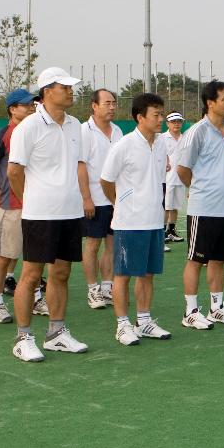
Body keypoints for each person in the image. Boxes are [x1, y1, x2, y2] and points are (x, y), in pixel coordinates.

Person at [7, 67, 90, 361]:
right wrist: (31, 199)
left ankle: (56, 333)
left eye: (71, 87)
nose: (70, 91)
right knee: (31, 275)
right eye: (64, 87)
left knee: (62, 273)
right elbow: (14, 171)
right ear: (46, 92)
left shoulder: (74, 125)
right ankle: (23, 338)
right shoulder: (28, 127)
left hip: (69, 212)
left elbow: (78, 165)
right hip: (39, 214)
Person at [100, 92, 174, 345]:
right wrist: (120, 203)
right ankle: (122, 325)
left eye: (162, 114)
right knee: (123, 275)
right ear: (140, 117)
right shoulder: (124, 145)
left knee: (148, 274)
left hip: (154, 220)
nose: (161, 119)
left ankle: (143, 321)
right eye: (156, 115)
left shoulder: (162, 143)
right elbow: (106, 180)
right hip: (129, 223)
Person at [175, 80, 224, 329]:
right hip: (203, 208)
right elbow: (183, 169)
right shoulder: (198, 131)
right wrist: (199, 189)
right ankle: (191, 312)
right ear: (210, 102)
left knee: (218, 259)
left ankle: (217, 308)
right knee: (196, 260)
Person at [0, 88, 39, 323]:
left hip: (36, 206)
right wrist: (8, 190)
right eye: (26, 105)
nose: (32, 107)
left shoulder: (35, 130)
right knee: (4, 256)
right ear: (13, 109)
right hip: (11, 205)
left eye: (33, 104)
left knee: (34, 256)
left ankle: (36, 297)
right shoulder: (2, 136)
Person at [80, 88, 122, 310]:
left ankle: (107, 287)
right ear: (94, 106)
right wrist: (87, 198)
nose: (112, 107)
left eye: (114, 103)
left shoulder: (117, 131)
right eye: (107, 103)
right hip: (94, 200)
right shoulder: (84, 131)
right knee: (92, 245)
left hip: (115, 200)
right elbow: (81, 167)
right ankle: (92, 289)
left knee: (112, 244)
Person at [162, 111, 186, 248]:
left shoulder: (185, 138)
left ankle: (171, 230)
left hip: (180, 179)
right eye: (173, 121)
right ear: (168, 124)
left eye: (179, 121)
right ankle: (163, 232)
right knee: (166, 207)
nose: (177, 124)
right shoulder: (162, 138)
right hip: (167, 179)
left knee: (175, 207)